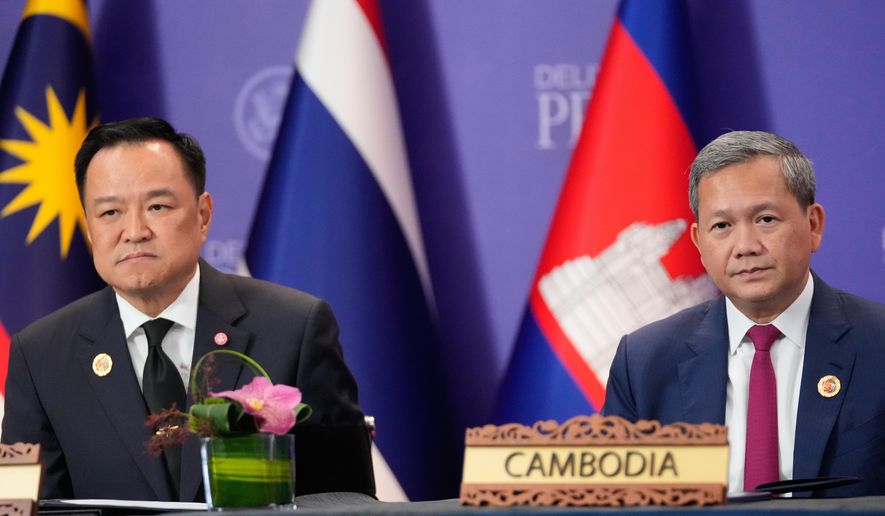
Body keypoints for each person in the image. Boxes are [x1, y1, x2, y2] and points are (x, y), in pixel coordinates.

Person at [1, 117, 375, 501]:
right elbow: (25, 508)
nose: (134, 231)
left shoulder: (295, 328)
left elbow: (346, 499)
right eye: (110, 213)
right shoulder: (40, 355)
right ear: (90, 227)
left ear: (203, 215)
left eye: (157, 206)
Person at [602, 131, 885, 497]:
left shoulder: (877, 343)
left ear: (813, 225)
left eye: (766, 219)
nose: (746, 247)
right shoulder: (644, 362)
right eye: (722, 226)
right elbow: (614, 503)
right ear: (699, 243)